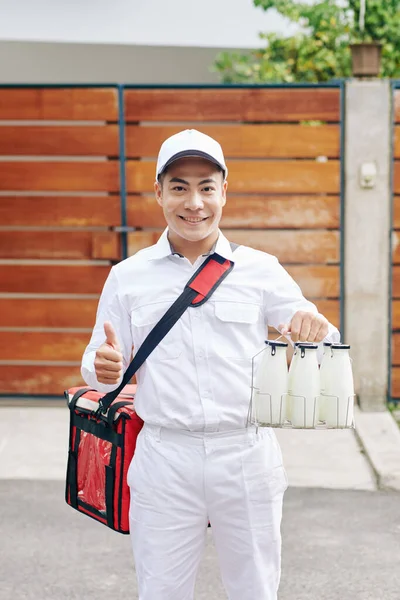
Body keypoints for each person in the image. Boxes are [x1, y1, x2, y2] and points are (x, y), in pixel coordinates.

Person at [81, 129, 340, 600]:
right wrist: (104, 368)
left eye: (206, 187)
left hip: (245, 453)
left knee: (255, 591)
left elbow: (327, 341)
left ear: (225, 191)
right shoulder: (128, 276)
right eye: (179, 187)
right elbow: (97, 361)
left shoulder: (260, 269)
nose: (194, 202)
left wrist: (313, 332)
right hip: (164, 456)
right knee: (160, 591)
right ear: (158, 192)